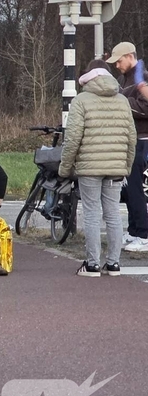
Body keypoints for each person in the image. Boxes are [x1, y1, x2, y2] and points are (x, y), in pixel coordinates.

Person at [59, 59, 136, 277]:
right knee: (112, 213)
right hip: (116, 168)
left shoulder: (81, 100)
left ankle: (92, 264)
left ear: (88, 76)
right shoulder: (122, 100)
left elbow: (73, 138)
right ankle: (113, 264)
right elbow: (132, 138)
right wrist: (126, 166)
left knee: (92, 213)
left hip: (89, 167)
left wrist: (66, 167)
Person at [104, 42, 148, 253]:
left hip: (143, 139)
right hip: (131, 139)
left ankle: (143, 233)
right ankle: (133, 230)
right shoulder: (124, 79)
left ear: (130, 57)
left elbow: (145, 108)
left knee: (137, 187)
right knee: (130, 188)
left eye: (119, 61)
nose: (117, 66)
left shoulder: (143, 78)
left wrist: (121, 103)